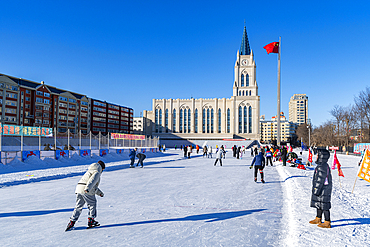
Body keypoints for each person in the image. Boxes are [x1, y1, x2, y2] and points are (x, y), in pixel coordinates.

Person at [65, 160, 105, 231]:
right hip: (86, 189)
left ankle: (72, 221)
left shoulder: (89, 171)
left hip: (79, 188)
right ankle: (91, 220)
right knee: (92, 204)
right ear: (101, 168)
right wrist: (87, 188)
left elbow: (93, 186)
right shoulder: (97, 172)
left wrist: (100, 193)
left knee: (78, 206)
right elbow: (92, 181)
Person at [309, 148, 332, 228]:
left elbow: (320, 180)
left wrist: (316, 190)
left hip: (323, 189)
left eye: (318, 155)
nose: (316, 156)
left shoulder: (322, 166)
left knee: (325, 205)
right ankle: (318, 218)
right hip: (322, 189)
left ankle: (327, 222)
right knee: (319, 204)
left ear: (322, 156)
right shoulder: (322, 165)